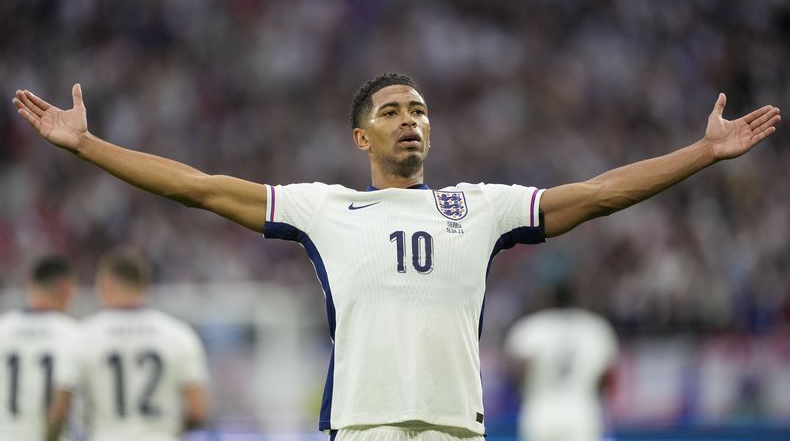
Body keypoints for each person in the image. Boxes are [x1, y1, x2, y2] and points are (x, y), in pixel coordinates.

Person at [12, 72, 780, 441]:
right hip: (364, 427)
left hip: (456, 428)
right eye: (390, 111)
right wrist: (88, 146)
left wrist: (702, 154)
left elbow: (600, 193)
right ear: (362, 138)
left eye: (418, 109)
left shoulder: (482, 206)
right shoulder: (324, 208)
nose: (409, 120)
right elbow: (199, 187)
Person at [46, 247, 209, 441]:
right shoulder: (179, 334)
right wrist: (167, 430)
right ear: (145, 287)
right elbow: (198, 411)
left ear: (105, 284)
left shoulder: (83, 336)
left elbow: (59, 410)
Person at [505, 281, 618, 441]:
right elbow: (607, 377)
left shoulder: (531, 327)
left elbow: (515, 371)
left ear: (549, 299)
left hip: (540, 410)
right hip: (583, 411)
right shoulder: (596, 328)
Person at [0, 254, 79, 441]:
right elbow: (62, 404)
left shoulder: (3, 329)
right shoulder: (74, 335)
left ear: (29, 284)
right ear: (67, 289)